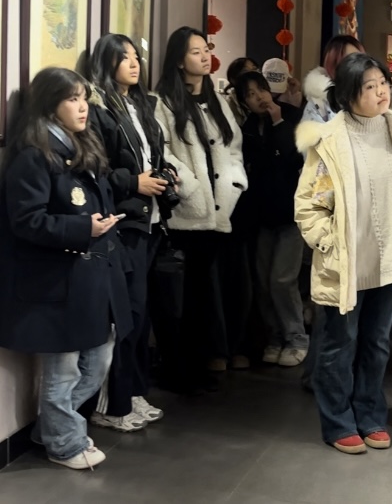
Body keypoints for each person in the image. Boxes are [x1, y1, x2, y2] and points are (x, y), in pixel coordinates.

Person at [295, 53, 392, 454]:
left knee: (376, 343)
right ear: (347, 95)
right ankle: (338, 422)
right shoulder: (328, 139)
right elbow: (308, 205)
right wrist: (330, 243)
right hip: (346, 263)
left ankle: (370, 414)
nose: (381, 92)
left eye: (383, 84)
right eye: (369, 87)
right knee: (339, 344)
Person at [0, 68, 132, 470]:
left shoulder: (81, 146)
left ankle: (51, 429)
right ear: (49, 104)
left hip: (91, 278)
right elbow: (26, 220)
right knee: (64, 371)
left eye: (83, 98)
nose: (82, 107)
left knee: (98, 361)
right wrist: (82, 228)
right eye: (72, 99)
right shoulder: (34, 156)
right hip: (55, 283)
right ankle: (63, 444)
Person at [154, 27, 248, 393]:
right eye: (195, 52)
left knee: (205, 292)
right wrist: (190, 188)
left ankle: (200, 363)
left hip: (218, 212)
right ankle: (179, 369)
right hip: (185, 213)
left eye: (205, 49)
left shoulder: (217, 101)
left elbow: (233, 147)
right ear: (179, 60)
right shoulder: (162, 101)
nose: (205, 56)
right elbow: (162, 151)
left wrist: (235, 182)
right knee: (181, 296)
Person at [86, 33, 170, 432]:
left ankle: (133, 391)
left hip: (149, 219)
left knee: (141, 314)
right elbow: (97, 167)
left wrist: (165, 174)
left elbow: (152, 155)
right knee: (126, 315)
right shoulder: (99, 108)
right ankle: (112, 403)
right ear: (107, 62)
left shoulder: (139, 104)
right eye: (124, 58)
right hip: (123, 219)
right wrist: (133, 182)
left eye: (136, 57)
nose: (134, 64)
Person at [299, 34, 365, 392]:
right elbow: (311, 155)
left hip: (367, 217)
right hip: (332, 212)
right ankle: (318, 376)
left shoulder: (369, 99)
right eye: (346, 60)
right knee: (331, 303)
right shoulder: (320, 102)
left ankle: (345, 378)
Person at [233, 71, 308, 367]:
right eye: (250, 95)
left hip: (291, 214)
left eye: (260, 90)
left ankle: (296, 338)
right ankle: (275, 338)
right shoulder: (249, 127)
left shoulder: (292, 116)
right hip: (261, 216)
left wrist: (278, 122)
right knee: (264, 281)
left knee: (282, 279)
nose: (259, 98)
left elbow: (295, 158)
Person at [301, 35, 365, 123]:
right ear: (333, 65)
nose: (358, 65)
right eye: (349, 60)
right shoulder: (318, 105)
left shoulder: (373, 94)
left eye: (360, 59)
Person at [223, 56, 259, 125]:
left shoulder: (263, 96)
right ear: (233, 79)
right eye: (245, 71)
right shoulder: (227, 105)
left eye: (254, 69)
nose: (252, 74)